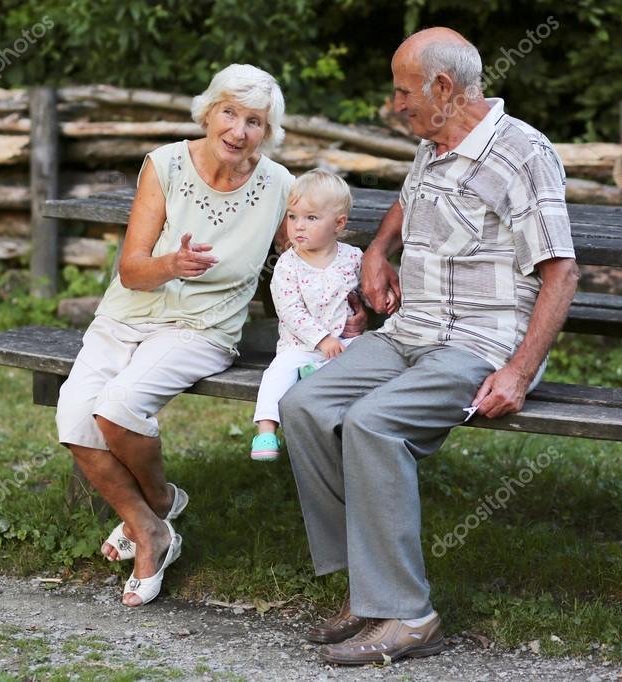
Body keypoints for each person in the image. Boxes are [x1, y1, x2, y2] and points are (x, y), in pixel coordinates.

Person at [280, 27, 579, 665]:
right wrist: (381, 251)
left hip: (481, 342)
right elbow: (407, 202)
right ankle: (367, 588)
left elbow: (562, 271)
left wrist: (520, 372)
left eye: (402, 92)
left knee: (373, 425)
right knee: (304, 406)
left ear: (442, 89)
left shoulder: (521, 153)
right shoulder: (434, 144)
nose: (395, 105)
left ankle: (410, 617)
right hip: (412, 331)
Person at [54, 63, 297, 607]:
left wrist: (346, 294)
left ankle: (156, 514)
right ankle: (153, 521)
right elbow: (132, 270)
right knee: (74, 416)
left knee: (116, 408)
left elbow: (303, 255)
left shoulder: (280, 185)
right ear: (208, 112)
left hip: (200, 329)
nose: (238, 130)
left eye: (254, 120)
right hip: (127, 313)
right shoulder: (164, 164)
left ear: (268, 130)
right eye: (229, 113)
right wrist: (173, 264)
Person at [250, 169, 365, 462]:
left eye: (311, 218)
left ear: (339, 223)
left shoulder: (352, 257)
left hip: (344, 343)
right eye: (292, 216)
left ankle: (349, 427)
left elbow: (363, 294)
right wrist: (322, 338)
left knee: (368, 356)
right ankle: (266, 430)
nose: (298, 226)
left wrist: (366, 312)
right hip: (300, 347)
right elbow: (290, 311)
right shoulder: (288, 265)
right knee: (277, 373)